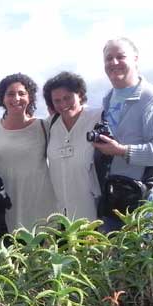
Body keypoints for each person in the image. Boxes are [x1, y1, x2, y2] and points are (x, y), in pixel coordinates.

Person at [95, 38, 153, 230]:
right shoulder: (108, 99)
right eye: (109, 58)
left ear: (135, 59)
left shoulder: (152, 99)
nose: (114, 63)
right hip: (112, 200)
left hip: (142, 204)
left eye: (120, 57)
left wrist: (122, 151)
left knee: (142, 259)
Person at [0, 73, 57, 232]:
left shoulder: (43, 126)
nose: (16, 98)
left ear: (30, 97)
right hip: (6, 204)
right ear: (2, 99)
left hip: (40, 204)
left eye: (22, 93)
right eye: (10, 94)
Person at [42, 72, 101, 221]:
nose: (63, 104)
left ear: (80, 94)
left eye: (67, 98)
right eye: (57, 101)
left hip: (94, 210)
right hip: (61, 212)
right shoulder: (50, 125)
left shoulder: (98, 118)